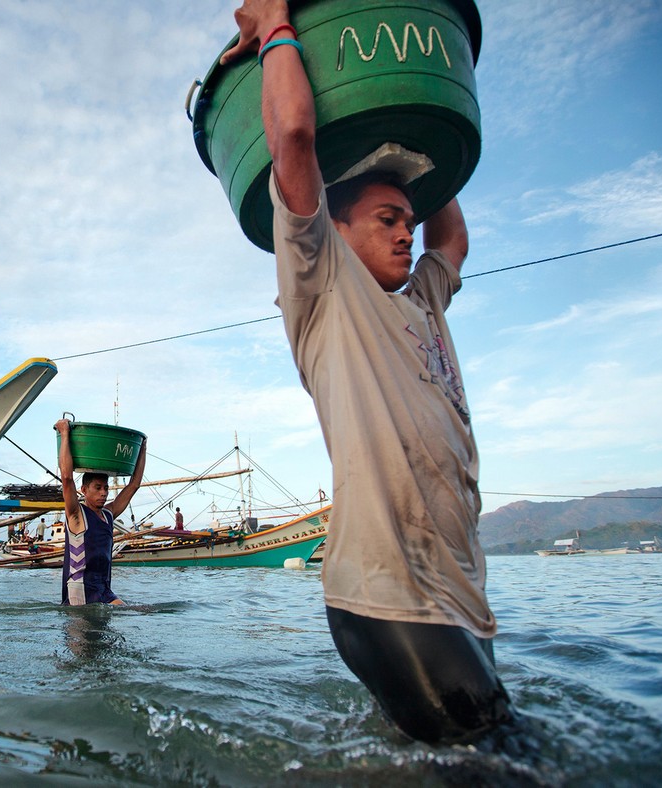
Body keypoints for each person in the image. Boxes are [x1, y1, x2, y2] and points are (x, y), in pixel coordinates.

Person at [219, 0, 513, 744]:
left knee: (439, 760)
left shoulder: (424, 301)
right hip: (386, 597)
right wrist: (278, 21)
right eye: (386, 218)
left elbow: (453, 236)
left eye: (406, 222)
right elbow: (291, 138)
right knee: (499, 758)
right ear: (335, 230)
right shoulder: (325, 287)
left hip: (458, 595)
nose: (405, 234)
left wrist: (423, 147)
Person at [54, 418, 146, 605]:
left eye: (106, 488)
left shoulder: (108, 514)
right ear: (84, 490)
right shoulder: (76, 515)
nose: (104, 493)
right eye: (98, 488)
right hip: (80, 592)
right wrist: (64, 434)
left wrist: (142, 447)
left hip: (104, 589)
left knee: (134, 611)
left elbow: (134, 484)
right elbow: (66, 478)